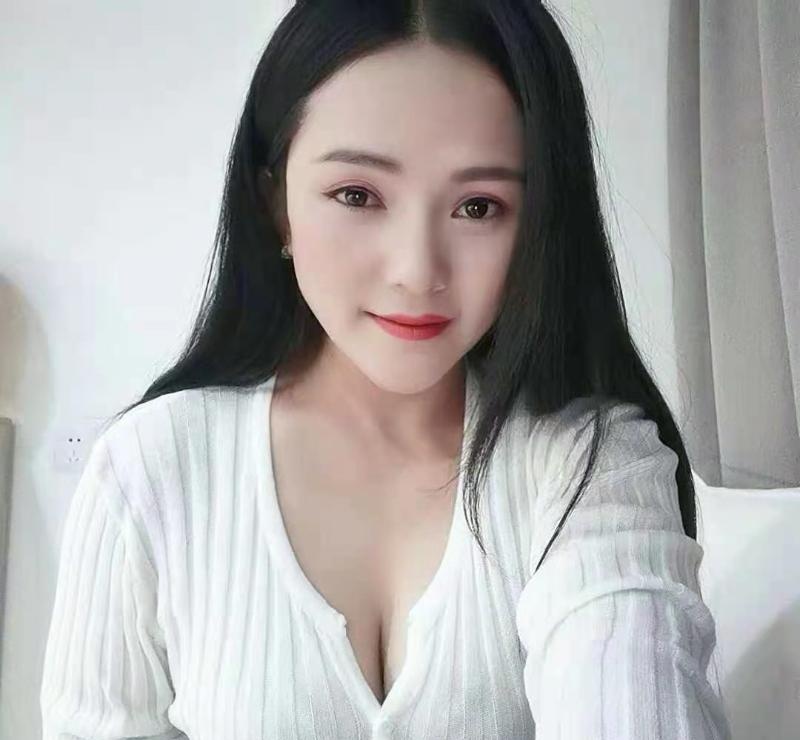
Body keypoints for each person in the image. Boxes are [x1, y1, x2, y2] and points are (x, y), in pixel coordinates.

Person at [39, 1, 733, 738]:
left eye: (479, 206)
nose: (416, 270)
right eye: (358, 195)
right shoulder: (147, 472)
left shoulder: (592, 464)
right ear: (275, 203)